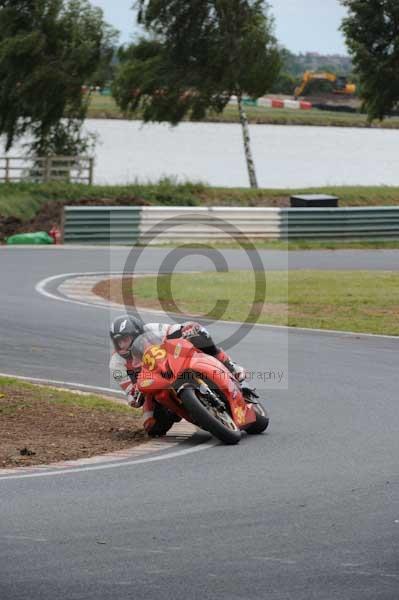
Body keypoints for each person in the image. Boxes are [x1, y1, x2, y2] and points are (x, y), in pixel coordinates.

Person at [109, 315, 246, 437]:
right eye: (118, 342)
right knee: (151, 427)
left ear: (137, 333)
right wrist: (134, 396)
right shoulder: (116, 364)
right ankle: (176, 409)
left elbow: (175, 329)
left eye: (125, 339)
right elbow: (130, 393)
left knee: (199, 335)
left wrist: (185, 330)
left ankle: (230, 365)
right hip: (152, 381)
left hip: (174, 360)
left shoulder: (152, 329)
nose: (122, 345)